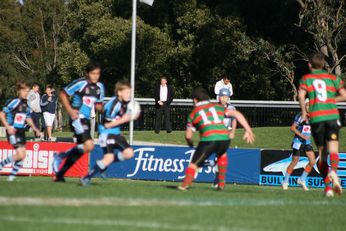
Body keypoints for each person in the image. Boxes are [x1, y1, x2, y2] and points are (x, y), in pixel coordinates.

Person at [178, 88, 255, 191]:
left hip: (209, 140)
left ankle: (185, 185)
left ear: (195, 100)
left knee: (194, 164)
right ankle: (221, 183)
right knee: (222, 154)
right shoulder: (217, 106)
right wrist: (248, 130)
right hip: (225, 139)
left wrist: (190, 143)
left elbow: (188, 135)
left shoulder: (194, 113)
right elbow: (237, 114)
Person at [299, 52, 346, 197]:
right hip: (332, 117)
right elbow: (344, 95)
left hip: (317, 118)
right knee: (333, 149)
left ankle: (328, 189)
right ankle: (333, 172)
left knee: (322, 154)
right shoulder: (333, 78)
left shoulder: (306, 79)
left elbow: (301, 95)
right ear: (324, 65)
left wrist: (304, 112)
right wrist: (332, 100)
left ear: (309, 65)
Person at [52, 62, 105, 182]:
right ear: (87, 73)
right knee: (89, 145)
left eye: (98, 73)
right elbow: (62, 93)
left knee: (84, 148)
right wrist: (70, 110)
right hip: (77, 118)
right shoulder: (80, 83)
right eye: (93, 73)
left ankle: (60, 173)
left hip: (86, 119)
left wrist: (105, 111)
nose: (95, 76)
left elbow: (98, 105)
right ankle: (60, 157)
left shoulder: (100, 87)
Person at [80, 81, 139, 186]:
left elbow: (128, 114)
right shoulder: (114, 104)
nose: (129, 95)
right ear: (119, 92)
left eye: (130, 93)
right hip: (106, 133)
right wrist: (126, 118)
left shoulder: (125, 104)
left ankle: (103, 165)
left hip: (116, 134)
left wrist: (134, 114)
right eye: (127, 92)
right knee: (109, 158)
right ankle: (86, 178)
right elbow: (107, 124)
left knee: (129, 153)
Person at [0, 82, 41, 181]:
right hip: (13, 130)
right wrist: (8, 127)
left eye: (27, 91)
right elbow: (1, 114)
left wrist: (35, 129)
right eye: (24, 91)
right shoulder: (14, 101)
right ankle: (2, 166)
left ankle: (11, 178)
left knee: (22, 156)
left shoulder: (26, 104)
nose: (26, 93)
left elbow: (28, 118)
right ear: (19, 91)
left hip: (21, 131)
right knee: (20, 154)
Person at [281, 100, 315, 191]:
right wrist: (302, 136)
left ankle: (302, 179)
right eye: (307, 105)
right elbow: (292, 128)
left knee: (312, 161)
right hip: (298, 141)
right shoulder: (301, 116)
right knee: (295, 161)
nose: (309, 107)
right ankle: (285, 181)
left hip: (307, 142)